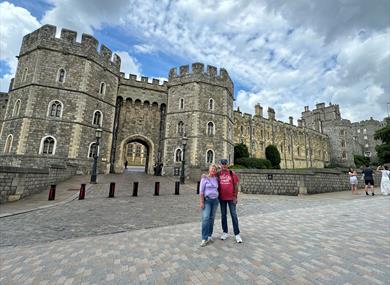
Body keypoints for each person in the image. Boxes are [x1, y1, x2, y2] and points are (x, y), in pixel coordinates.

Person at [217, 158, 242, 243]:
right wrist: (204, 176)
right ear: (220, 165)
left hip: (231, 198)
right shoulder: (218, 174)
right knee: (223, 215)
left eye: (225, 164)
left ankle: (237, 234)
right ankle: (225, 232)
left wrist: (235, 197)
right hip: (222, 198)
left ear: (227, 165)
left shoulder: (232, 173)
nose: (224, 165)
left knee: (234, 215)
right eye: (222, 164)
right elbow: (211, 177)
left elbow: (236, 186)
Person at [199, 164, 219, 247]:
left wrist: (218, 166)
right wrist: (201, 202)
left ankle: (209, 235)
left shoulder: (216, 178)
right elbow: (201, 192)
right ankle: (204, 238)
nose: (213, 170)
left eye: (214, 169)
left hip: (215, 201)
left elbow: (222, 170)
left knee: (212, 218)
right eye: (212, 169)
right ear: (209, 170)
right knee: (206, 218)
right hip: (207, 201)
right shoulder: (204, 178)